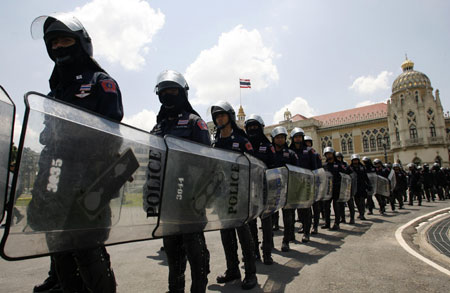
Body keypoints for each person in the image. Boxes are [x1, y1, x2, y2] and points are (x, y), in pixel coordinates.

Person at [30, 14, 123, 293]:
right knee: (60, 256)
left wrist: (98, 181)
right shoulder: (54, 92)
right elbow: (48, 139)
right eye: (54, 42)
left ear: (81, 43)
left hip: (87, 186)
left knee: (88, 254)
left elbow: (111, 132)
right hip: (55, 184)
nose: (59, 46)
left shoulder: (100, 81)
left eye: (66, 40)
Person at [149, 70, 211, 293]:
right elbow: (150, 162)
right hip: (168, 204)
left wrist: (200, 197)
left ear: (183, 93)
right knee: (173, 256)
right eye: (163, 91)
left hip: (190, 202)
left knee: (196, 255)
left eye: (172, 90)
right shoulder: (157, 128)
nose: (168, 95)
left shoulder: (195, 123)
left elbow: (207, 164)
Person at [211, 101, 257, 290]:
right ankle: (233, 270)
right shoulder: (216, 142)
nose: (219, 119)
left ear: (230, 116)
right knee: (226, 234)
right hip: (222, 195)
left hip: (241, 194)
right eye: (216, 116)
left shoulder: (242, 140)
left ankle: (251, 273)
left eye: (222, 115)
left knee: (243, 233)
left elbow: (254, 166)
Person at [244, 114, 275, 265]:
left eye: (255, 126)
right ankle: (254, 251)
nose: (252, 129)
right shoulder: (245, 144)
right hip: (249, 190)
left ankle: (267, 253)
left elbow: (275, 167)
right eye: (249, 127)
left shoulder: (269, 147)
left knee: (266, 223)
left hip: (265, 190)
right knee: (250, 224)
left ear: (261, 128)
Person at [270, 126, 298, 252]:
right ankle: (268, 242)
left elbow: (297, 171)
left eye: (282, 137)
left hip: (287, 188)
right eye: (277, 137)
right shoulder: (269, 152)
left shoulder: (291, 154)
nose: (280, 139)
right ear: (273, 139)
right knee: (269, 216)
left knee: (287, 216)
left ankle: (286, 241)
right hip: (272, 188)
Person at [289, 127, 318, 242]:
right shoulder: (289, 150)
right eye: (296, 137)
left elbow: (314, 168)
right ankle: (292, 234)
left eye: (300, 137)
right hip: (293, 184)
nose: (298, 139)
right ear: (292, 138)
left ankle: (306, 232)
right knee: (296, 210)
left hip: (306, 184)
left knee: (306, 208)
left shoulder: (309, 151)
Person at [322, 147, 345, 230]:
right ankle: (327, 223)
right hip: (327, 189)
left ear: (333, 154)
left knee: (336, 206)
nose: (328, 155)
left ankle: (337, 223)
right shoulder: (324, 165)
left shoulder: (339, 165)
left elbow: (346, 174)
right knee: (326, 207)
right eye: (327, 154)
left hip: (337, 188)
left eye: (330, 154)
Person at [347, 154, 371, 221]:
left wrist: (369, 184)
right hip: (354, 187)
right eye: (354, 160)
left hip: (362, 186)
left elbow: (366, 176)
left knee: (362, 201)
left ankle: (362, 214)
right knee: (357, 201)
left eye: (356, 160)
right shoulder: (350, 168)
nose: (355, 161)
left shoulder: (362, 167)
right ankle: (360, 212)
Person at [336, 152, 354, 224]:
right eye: (337, 158)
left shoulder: (345, 165)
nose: (338, 159)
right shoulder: (335, 165)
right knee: (340, 204)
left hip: (347, 187)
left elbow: (351, 174)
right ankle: (342, 218)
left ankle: (352, 218)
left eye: (339, 157)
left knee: (350, 203)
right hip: (339, 187)